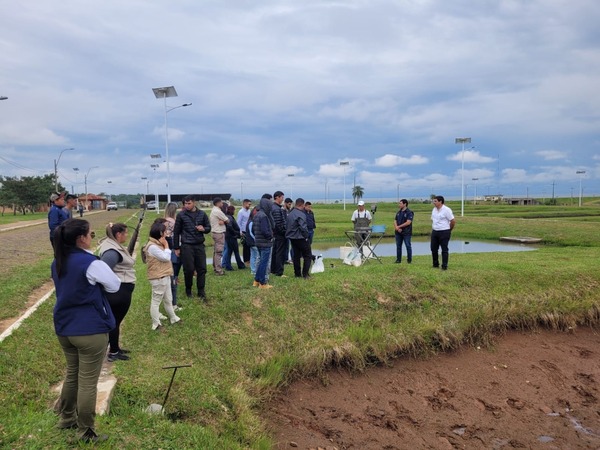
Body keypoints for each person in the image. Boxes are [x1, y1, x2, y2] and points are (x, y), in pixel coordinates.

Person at [51, 218, 120, 443]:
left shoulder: (58, 261)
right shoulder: (91, 263)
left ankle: (66, 417)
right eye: (91, 234)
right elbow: (114, 285)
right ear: (81, 238)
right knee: (88, 381)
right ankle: (86, 432)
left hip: (64, 328)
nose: (92, 237)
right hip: (89, 329)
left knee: (72, 373)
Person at [98, 223, 136, 362]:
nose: (127, 235)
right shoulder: (112, 251)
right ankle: (113, 352)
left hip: (119, 289)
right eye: (125, 233)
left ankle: (115, 348)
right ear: (118, 234)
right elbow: (104, 268)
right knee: (114, 322)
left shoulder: (112, 245)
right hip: (119, 291)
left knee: (115, 321)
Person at [143, 221, 182, 330]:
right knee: (156, 301)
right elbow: (165, 257)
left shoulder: (157, 243)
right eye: (165, 231)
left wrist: (165, 244)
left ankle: (173, 317)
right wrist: (166, 246)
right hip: (158, 277)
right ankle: (156, 324)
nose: (167, 233)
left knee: (168, 299)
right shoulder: (152, 246)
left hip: (164, 275)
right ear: (160, 233)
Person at [173, 195, 211, 300]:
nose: (187, 205)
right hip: (187, 246)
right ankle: (188, 290)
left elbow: (208, 228)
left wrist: (203, 229)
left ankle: (201, 291)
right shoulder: (181, 215)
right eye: (185, 203)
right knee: (188, 270)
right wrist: (176, 247)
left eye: (189, 203)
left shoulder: (202, 214)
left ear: (194, 202)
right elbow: (176, 232)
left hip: (199, 245)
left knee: (202, 269)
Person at [286, 198, 312, 278]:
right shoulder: (301, 214)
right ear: (302, 205)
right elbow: (303, 227)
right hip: (300, 237)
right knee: (307, 255)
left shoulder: (290, 213)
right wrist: (306, 236)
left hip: (292, 238)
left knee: (296, 256)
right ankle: (305, 274)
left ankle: (297, 274)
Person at [253, 196, 275, 289]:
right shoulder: (264, 216)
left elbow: (254, 229)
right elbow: (265, 231)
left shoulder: (257, 214)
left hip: (258, 241)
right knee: (264, 263)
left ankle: (256, 281)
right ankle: (263, 283)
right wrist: (270, 237)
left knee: (261, 261)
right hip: (265, 243)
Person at [164, 202, 182, 311]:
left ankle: (169, 302)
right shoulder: (173, 222)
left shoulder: (164, 221)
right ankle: (173, 304)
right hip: (174, 252)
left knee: (170, 278)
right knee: (173, 278)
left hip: (167, 252)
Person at [430, 195, 456, 270]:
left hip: (444, 231)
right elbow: (433, 219)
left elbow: (453, 221)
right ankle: (435, 264)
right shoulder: (434, 209)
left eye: (435, 201)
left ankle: (444, 266)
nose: (434, 203)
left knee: (444, 249)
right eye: (433, 201)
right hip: (435, 231)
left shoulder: (446, 210)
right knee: (433, 249)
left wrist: (448, 230)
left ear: (440, 202)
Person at [222, 205, 246, 270]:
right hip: (231, 237)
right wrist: (236, 233)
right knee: (235, 251)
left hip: (230, 236)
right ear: (231, 210)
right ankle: (238, 265)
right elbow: (229, 227)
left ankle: (229, 265)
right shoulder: (229, 217)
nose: (234, 211)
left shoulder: (229, 217)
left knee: (231, 251)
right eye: (234, 210)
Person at [209, 197, 229, 276]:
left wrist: (222, 221)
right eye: (221, 202)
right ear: (217, 203)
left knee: (216, 251)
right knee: (219, 252)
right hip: (219, 233)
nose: (222, 204)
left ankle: (215, 267)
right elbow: (228, 220)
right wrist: (224, 221)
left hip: (215, 232)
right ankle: (218, 270)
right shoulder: (218, 211)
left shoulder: (213, 210)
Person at [270, 190, 287, 276]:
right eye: (282, 197)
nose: (282, 199)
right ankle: (279, 272)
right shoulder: (276, 208)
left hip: (276, 234)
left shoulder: (275, 207)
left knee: (275, 252)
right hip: (279, 234)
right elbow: (278, 223)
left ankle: (273, 270)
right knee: (280, 253)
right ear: (277, 197)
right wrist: (284, 231)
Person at [394, 199, 414, 264]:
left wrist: (399, 227)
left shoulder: (409, 212)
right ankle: (398, 260)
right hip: (398, 232)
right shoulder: (398, 212)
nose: (399, 205)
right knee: (398, 246)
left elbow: (408, 222)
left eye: (400, 203)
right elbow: (395, 221)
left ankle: (409, 260)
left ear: (405, 204)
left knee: (408, 245)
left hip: (406, 232)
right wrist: (396, 227)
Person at [237, 199, 252, 266]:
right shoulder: (241, 212)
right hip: (243, 231)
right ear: (245, 204)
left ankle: (250, 260)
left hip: (249, 230)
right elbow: (238, 222)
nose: (250, 205)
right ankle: (246, 261)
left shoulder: (249, 211)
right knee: (245, 247)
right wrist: (240, 232)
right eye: (249, 204)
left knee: (250, 246)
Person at [245, 206, 259, 275]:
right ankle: (255, 270)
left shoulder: (249, 221)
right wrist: (256, 239)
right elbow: (251, 232)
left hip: (250, 242)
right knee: (256, 256)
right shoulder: (251, 222)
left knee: (253, 256)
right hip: (253, 242)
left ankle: (253, 270)